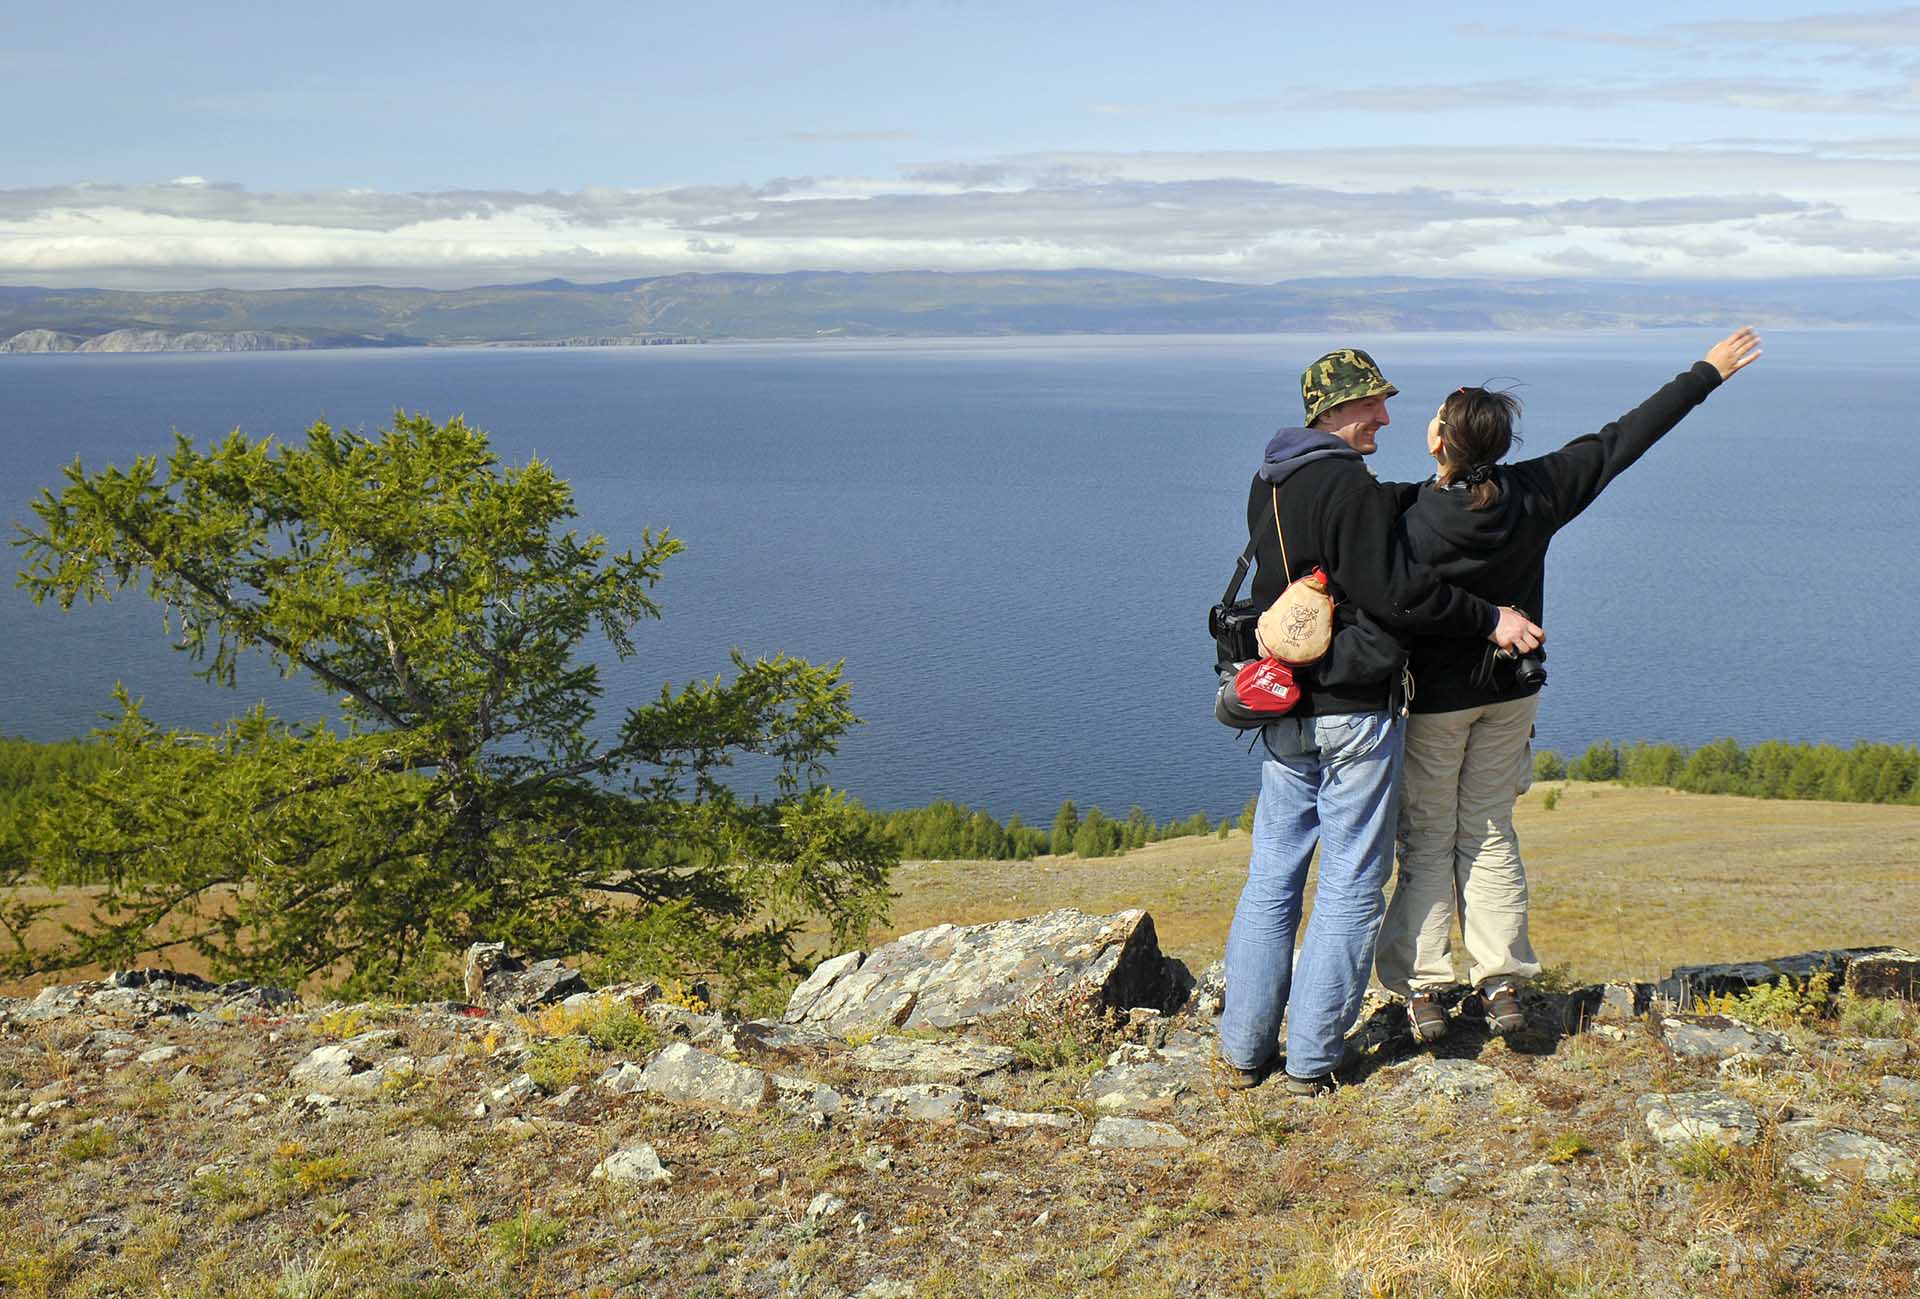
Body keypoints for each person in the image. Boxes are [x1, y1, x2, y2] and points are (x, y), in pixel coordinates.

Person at [1376, 328, 1764, 1043]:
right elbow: (1625, 439)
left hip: (1437, 701)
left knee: (1429, 837)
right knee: (1489, 828)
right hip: (1512, 694)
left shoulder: (1410, 519)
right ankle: (1500, 982)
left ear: (1440, 441)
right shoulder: (1536, 491)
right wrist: (1705, 372)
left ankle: (1424, 989)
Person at [1218, 349, 1545, 1095]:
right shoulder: (1349, 486)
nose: (1387, 417)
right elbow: (1398, 594)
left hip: (1284, 705)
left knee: (1271, 876)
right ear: (1337, 411)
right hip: (1354, 712)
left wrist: (1430, 491)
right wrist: (1490, 616)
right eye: (1374, 404)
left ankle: (1243, 1049)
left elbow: (1350, 530)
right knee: (1351, 882)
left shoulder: (1272, 479)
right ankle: (1310, 1059)